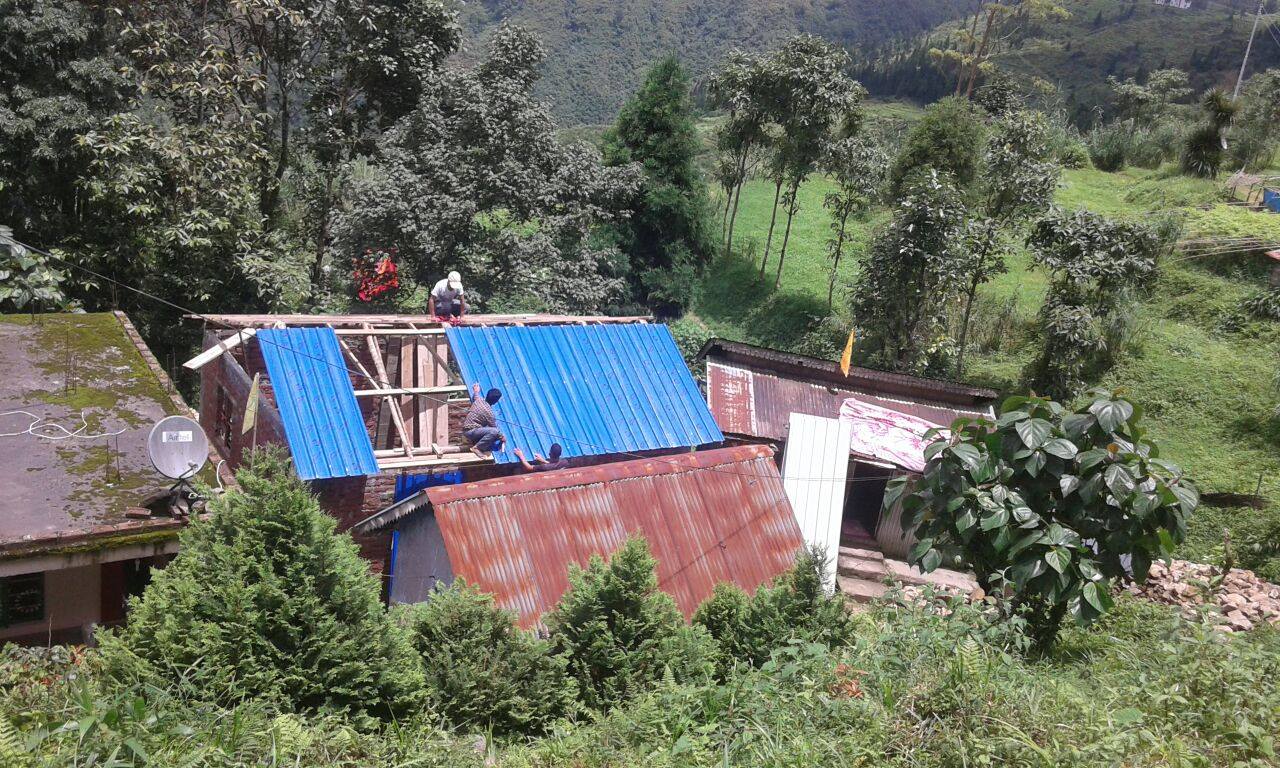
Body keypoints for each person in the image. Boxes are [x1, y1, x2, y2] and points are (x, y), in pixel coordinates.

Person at [462, 382, 503, 457]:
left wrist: (476, 391)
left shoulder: (478, 400)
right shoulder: (489, 413)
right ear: (496, 401)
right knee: (495, 432)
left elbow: (475, 396)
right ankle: (476, 448)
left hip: (466, 431)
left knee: (489, 431)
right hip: (471, 432)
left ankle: (476, 443)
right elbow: (494, 429)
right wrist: (502, 437)